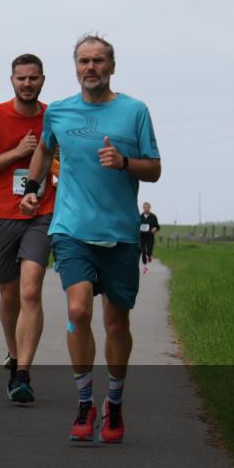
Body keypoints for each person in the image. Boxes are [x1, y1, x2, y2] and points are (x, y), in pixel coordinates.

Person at [22, 34, 160, 443]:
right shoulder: (59, 112)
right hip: (71, 229)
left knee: (117, 323)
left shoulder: (135, 112)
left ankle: (113, 404)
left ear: (112, 66)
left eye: (99, 61)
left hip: (119, 233)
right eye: (84, 61)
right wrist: (31, 189)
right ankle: (85, 401)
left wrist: (124, 163)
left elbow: (153, 169)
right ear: (76, 67)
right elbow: (45, 152)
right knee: (78, 311)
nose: (91, 67)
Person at [0, 54, 55, 403]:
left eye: (33, 78)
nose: (27, 84)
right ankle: (15, 353)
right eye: (21, 78)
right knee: (9, 295)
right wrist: (17, 152)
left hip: (42, 213)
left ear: (42, 80)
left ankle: (22, 373)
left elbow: (61, 159)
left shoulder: (54, 116)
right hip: (1, 215)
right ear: (12, 80)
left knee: (30, 291)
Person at [139, 202, 160, 273]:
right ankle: (145, 266)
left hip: (150, 236)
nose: (146, 209)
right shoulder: (140, 217)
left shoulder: (153, 217)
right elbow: (136, 226)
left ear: (149, 208)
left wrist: (155, 229)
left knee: (149, 250)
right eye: (144, 207)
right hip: (142, 236)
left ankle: (150, 255)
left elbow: (157, 226)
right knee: (143, 252)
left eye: (147, 207)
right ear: (143, 208)